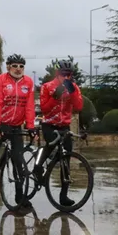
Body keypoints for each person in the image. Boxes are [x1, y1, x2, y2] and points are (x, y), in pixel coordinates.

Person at [35, 59, 83, 206]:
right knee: (50, 145)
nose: (66, 77)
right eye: (63, 74)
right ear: (57, 73)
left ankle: (64, 195)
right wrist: (56, 95)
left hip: (64, 126)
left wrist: (72, 92)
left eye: (69, 74)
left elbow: (79, 107)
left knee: (65, 159)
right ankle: (38, 167)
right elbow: (44, 109)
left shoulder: (73, 87)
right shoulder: (47, 86)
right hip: (49, 125)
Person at [0, 53, 37, 207]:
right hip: (1, 123)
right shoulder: (0, 80)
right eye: (15, 66)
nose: (18, 69)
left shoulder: (28, 82)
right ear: (8, 67)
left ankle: (20, 196)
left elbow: (29, 106)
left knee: (18, 161)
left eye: (21, 66)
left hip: (16, 126)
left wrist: (30, 127)